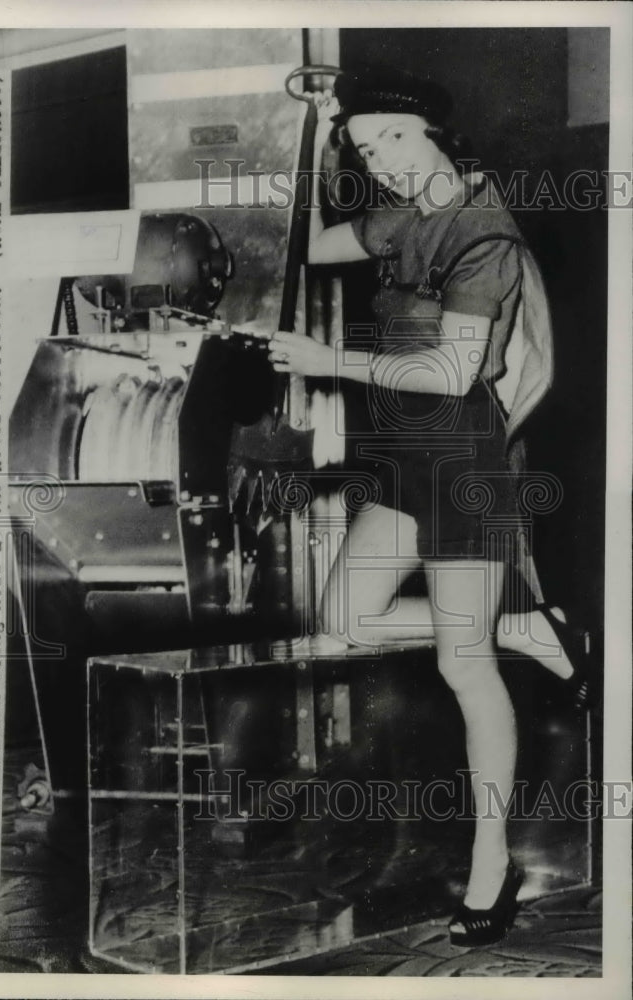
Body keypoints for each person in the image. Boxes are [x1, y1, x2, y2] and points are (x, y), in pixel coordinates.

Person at [268, 69, 580, 947]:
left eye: (395, 139)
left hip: (460, 455)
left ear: (435, 132)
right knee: (347, 617)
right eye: (367, 149)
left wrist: (332, 361)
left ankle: (492, 866)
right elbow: (315, 245)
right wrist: (309, 133)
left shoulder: (479, 233)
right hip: (408, 454)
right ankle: (520, 623)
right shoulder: (404, 216)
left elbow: (452, 375)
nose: (385, 160)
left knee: (460, 667)